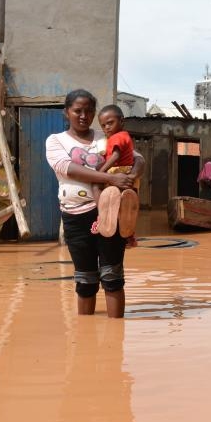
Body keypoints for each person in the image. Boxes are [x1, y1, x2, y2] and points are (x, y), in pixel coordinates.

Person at [45, 89, 145, 318]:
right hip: (75, 217)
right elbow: (67, 168)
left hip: (111, 213)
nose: (83, 115)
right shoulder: (56, 141)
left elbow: (137, 158)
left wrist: (131, 176)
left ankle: (115, 341)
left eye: (88, 111)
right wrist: (111, 178)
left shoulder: (106, 135)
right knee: (85, 279)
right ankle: (84, 339)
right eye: (77, 111)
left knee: (112, 277)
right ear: (66, 112)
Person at [91, 105, 140, 248]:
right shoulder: (125, 136)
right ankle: (130, 235)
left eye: (110, 123)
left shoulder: (116, 137)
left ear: (121, 121)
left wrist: (101, 172)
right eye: (103, 125)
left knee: (95, 185)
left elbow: (115, 156)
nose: (107, 127)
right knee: (125, 206)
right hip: (128, 173)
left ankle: (101, 217)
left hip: (117, 171)